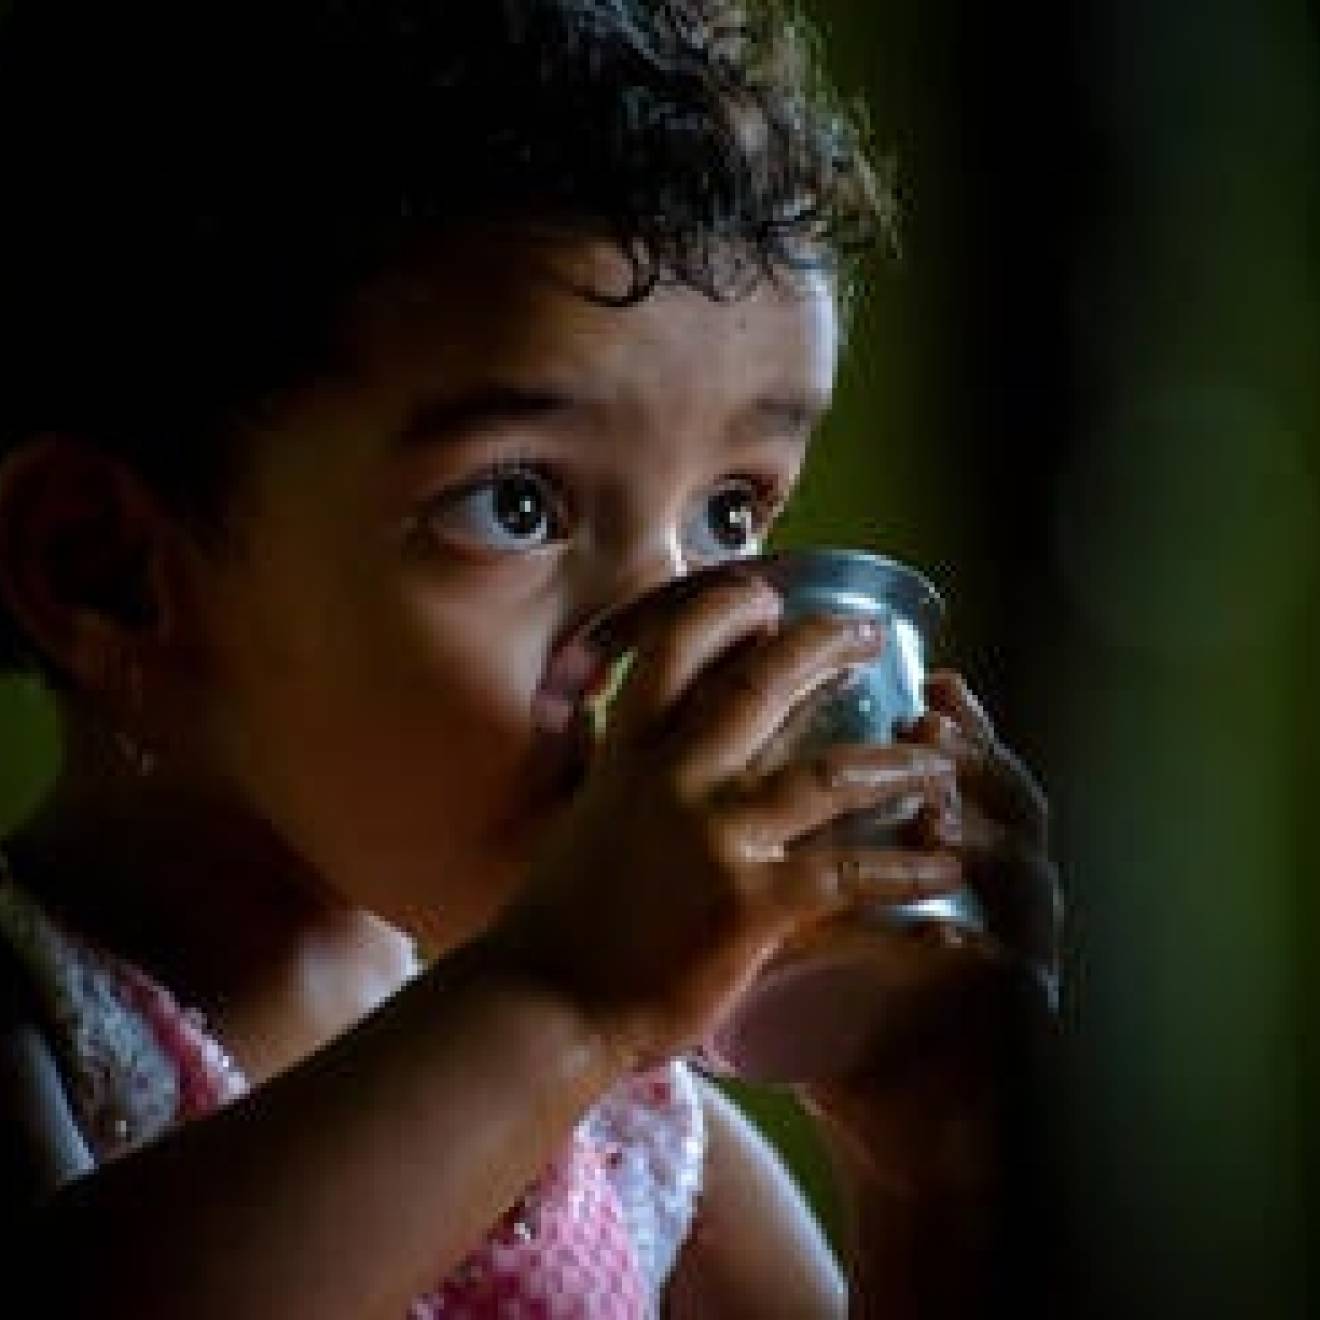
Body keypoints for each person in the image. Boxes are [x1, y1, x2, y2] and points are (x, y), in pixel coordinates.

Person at [0, 1, 1061, 1315]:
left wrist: (933, 1170)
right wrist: (569, 995)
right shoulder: (35, 1026)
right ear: (104, 570)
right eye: (518, 505)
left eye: (732, 512)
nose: (682, 633)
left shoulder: (629, 1126)